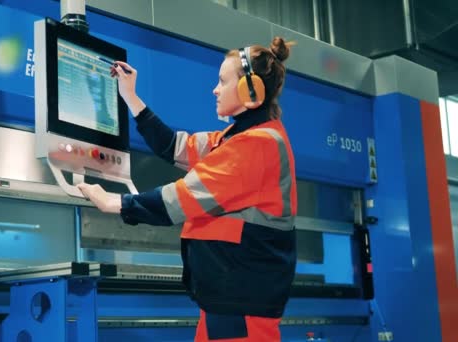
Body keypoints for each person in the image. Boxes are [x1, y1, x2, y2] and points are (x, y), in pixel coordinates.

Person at [77, 37, 297, 341]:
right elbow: (175, 146)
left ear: (251, 92)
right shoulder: (233, 138)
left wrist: (115, 202)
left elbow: (181, 198)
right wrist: (130, 97)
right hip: (226, 299)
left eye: (222, 81)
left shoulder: (256, 146)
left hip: (242, 304)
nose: (215, 89)